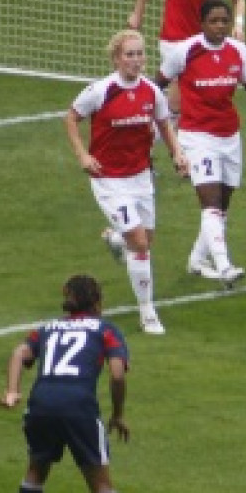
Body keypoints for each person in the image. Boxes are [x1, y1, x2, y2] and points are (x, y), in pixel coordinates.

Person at [0, 274, 135, 493]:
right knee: (101, 483)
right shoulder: (107, 330)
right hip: (79, 407)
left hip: (41, 403)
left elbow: (19, 353)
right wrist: (119, 414)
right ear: (98, 302)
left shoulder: (47, 329)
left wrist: (12, 391)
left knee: (36, 469)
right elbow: (116, 374)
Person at [156, 0, 246, 286]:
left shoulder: (239, 52)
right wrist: (165, 133)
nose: (219, 27)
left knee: (222, 206)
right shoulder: (185, 51)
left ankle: (197, 260)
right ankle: (224, 266)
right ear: (201, 23)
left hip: (229, 137)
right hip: (196, 137)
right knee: (210, 203)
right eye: (213, 21)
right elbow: (157, 86)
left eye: (224, 21)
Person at [64, 31, 188, 335]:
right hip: (109, 179)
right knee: (141, 243)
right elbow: (71, 118)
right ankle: (147, 312)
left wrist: (178, 154)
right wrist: (82, 156)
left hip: (141, 177)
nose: (136, 60)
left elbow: (164, 124)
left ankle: (116, 240)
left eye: (140, 54)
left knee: (144, 240)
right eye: (129, 54)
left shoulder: (151, 92)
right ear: (117, 58)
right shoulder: (100, 91)